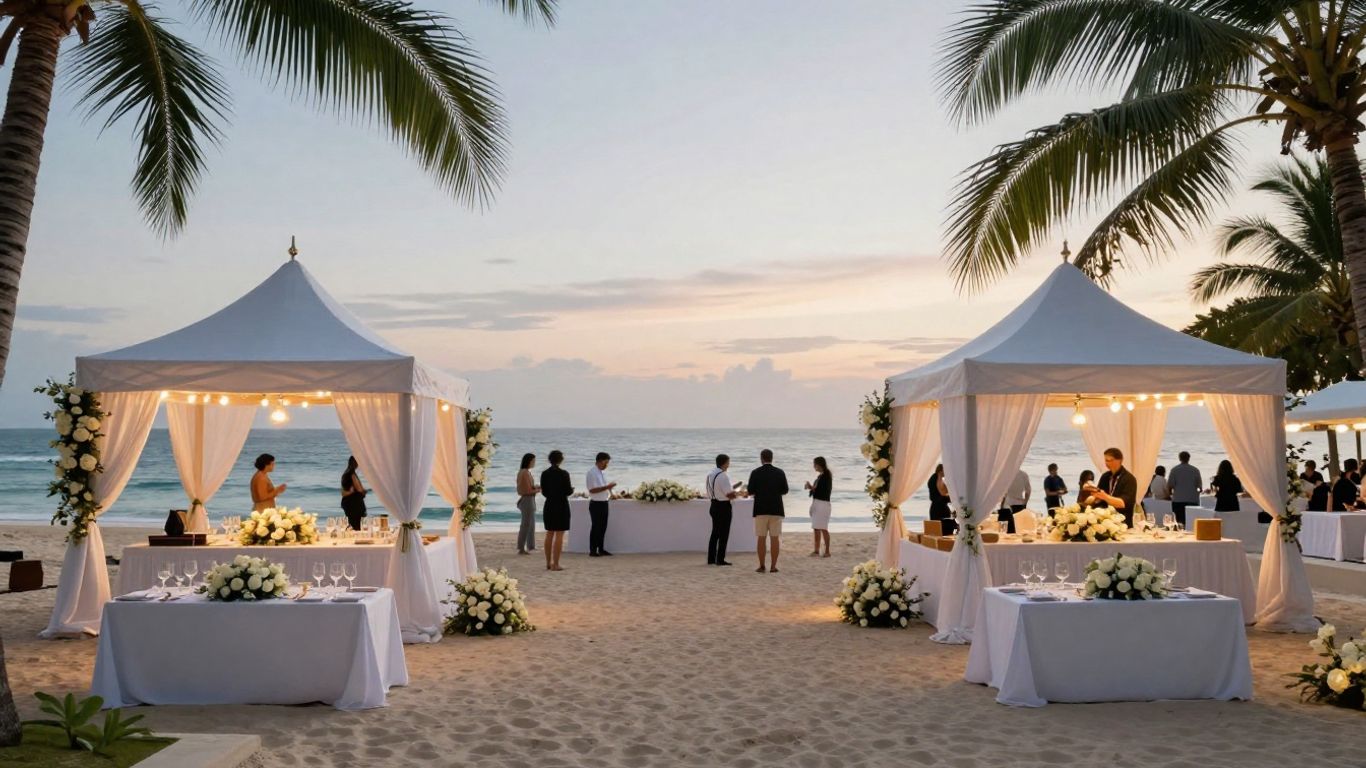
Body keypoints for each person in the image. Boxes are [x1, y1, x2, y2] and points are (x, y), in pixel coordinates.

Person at [748, 449, 788, 573]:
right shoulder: (780, 472)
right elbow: (785, 490)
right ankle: (773, 566)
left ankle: (761, 565)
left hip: (761, 509)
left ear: (761, 458)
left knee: (761, 538)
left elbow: (750, 490)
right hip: (776, 508)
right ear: (772, 458)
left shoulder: (755, 472)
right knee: (775, 538)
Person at [1084, 447, 1138, 527]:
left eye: (1110, 460)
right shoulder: (1105, 476)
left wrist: (1104, 496)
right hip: (1104, 523)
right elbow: (1099, 499)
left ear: (1120, 460)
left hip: (1123, 524)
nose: (1107, 463)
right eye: (1106, 460)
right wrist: (1094, 497)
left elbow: (1122, 503)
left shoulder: (1129, 479)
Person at [540, 450, 573, 571]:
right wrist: (571, 490)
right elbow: (568, 491)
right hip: (561, 504)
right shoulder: (564, 473)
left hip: (549, 504)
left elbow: (544, 491)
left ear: (550, 460)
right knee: (559, 534)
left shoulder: (544, 474)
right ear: (561, 460)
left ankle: (548, 562)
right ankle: (556, 564)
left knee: (549, 533)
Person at [706, 454, 739, 566]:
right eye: (728, 462)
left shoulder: (710, 474)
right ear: (724, 463)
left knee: (715, 533)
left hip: (713, 505)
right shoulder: (723, 475)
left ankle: (711, 559)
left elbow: (714, 490)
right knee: (724, 534)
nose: (729, 464)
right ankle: (720, 559)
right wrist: (739, 493)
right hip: (723, 507)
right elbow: (729, 495)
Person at [586, 452, 617, 557]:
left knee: (603, 527)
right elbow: (592, 490)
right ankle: (593, 550)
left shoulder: (602, 473)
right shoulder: (591, 473)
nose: (606, 465)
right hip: (595, 504)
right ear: (600, 461)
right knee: (596, 527)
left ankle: (601, 549)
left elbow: (604, 488)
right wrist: (607, 487)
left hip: (604, 502)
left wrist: (611, 492)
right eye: (605, 462)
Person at [805, 457, 832, 558]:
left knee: (823, 528)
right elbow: (816, 490)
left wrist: (811, 487)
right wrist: (810, 487)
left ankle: (827, 551)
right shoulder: (820, 477)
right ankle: (816, 550)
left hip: (823, 504)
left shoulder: (826, 476)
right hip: (817, 503)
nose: (813, 466)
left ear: (819, 464)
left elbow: (822, 491)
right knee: (816, 528)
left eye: (814, 464)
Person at [1166, 451, 1203, 527]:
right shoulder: (1195, 470)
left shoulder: (1174, 470)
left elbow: (1170, 485)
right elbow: (1199, 487)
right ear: (1189, 458)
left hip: (1178, 500)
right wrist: (1197, 493)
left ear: (1179, 458)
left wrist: (1170, 495)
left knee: (1179, 522)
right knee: (1191, 523)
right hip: (1192, 500)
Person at [516, 454, 540, 555]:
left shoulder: (525, 472)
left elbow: (527, 488)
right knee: (525, 525)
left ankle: (531, 545)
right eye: (533, 461)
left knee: (531, 524)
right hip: (527, 500)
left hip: (529, 500)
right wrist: (538, 490)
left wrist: (535, 487)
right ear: (528, 461)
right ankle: (521, 548)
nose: (534, 463)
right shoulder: (524, 473)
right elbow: (525, 490)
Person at [340, 456, 367, 531]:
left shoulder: (345, 474)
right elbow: (359, 489)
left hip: (347, 503)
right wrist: (363, 491)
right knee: (357, 525)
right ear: (355, 463)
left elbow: (343, 492)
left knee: (352, 523)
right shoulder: (352, 474)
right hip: (354, 503)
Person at [1000, 468, 1030, 532]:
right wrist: (1025, 503)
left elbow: (1003, 492)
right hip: (1019, 504)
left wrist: (1001, 505)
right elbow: (1028, 491)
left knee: (1005, 530)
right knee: (1019, 529)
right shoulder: (1024, 474)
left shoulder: (1006, 474)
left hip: (1007, 504)